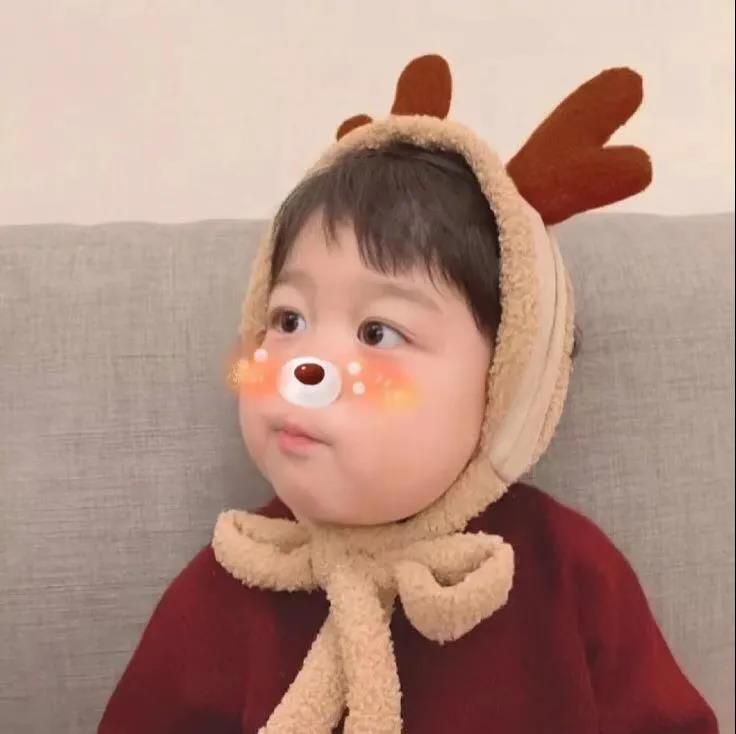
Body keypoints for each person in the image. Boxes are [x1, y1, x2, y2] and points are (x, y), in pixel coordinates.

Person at [98, 55, 718, 734]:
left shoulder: (566, 575)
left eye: (378, 332)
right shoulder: (234, 583)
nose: (308, 365)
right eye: (288, 320)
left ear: (506, 383)